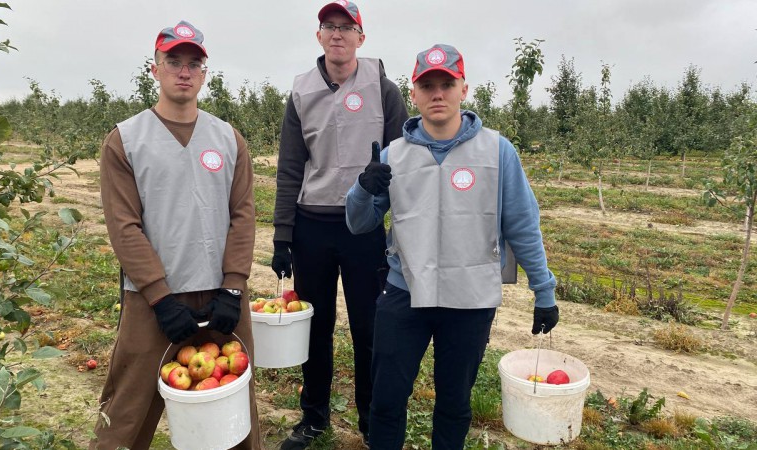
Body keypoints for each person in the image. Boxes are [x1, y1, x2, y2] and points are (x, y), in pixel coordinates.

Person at [345, 44, 559, 449]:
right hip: (404, 294)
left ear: (464, 89)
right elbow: (358, 224)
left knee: (454, 403)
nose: (437, 93)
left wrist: (543, 291)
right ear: (415, 93)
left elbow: (523, 225)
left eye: (447, 84)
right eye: (428, 85)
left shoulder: (498, 152)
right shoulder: (393, 155)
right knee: (386, 400)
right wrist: (362, 187)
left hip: (470, 301)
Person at [90, 20, 262, 450]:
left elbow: (242, 215)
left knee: (234, 409)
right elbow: (124, 225)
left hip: (223, 297)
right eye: (174, 61)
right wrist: (160, 296)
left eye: (194, 63)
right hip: (155, 303)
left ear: (205, 73)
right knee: (127, 413)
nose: (184, 71)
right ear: (155, 69)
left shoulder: (228, 139)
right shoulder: (126, 141)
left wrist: (235, 286)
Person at [271, 1, 409, 448]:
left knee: (371, 327)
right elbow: (291, 167)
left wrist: (397, 224)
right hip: (313, 226)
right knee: (317, 325)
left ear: (361, 38)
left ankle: (371, 421)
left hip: (364, 228)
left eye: (347, 27)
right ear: (318, 36)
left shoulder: (384, 89)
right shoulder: (301, 92)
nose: (337, 34)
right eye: (329, 26)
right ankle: (314, 417)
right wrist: (282, 236)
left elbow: (402, 159)